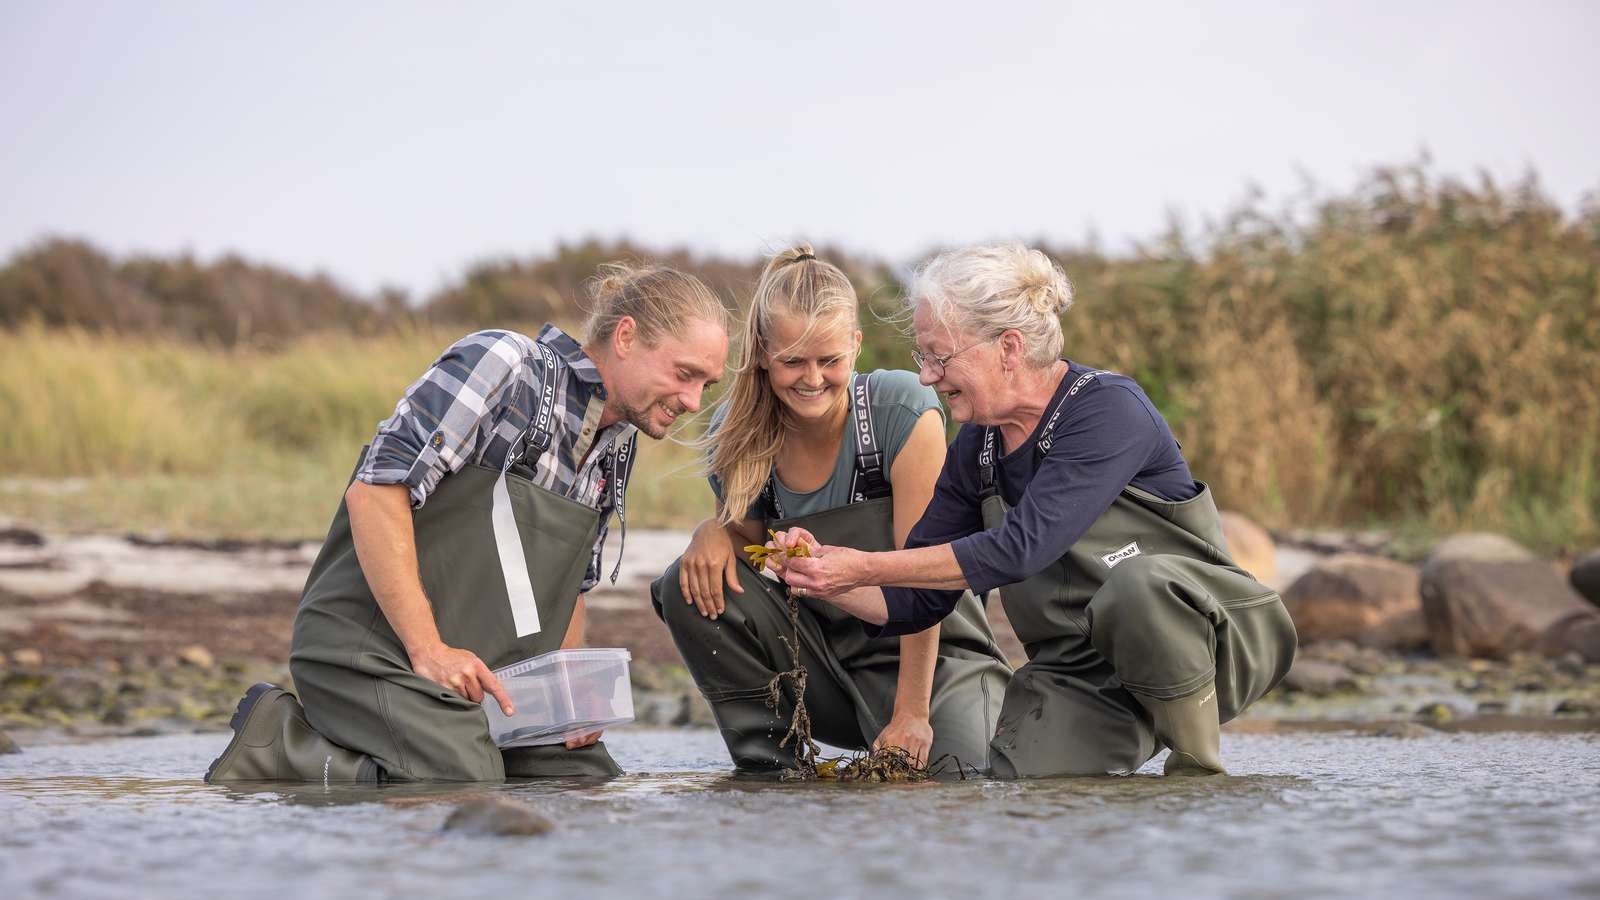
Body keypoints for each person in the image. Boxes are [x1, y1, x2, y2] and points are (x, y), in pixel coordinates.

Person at [778, 243, 1297, 778]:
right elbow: (917, 598)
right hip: (1084, 675)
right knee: (1016, 790)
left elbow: (1020, 548)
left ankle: (1198, 777)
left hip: (1219, 644)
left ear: (1008, 347)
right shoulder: (975, 447)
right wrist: (826, 577)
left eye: (939, 355)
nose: (928, 376)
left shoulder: (1107, 409)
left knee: (1138, 586)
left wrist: (860, 564)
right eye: (922, 357)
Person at [205, 263, 729, 783]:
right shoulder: (503, 362)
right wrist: (428, 651)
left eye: (707, 384)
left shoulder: (620, 440)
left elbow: (570, 586)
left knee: (580, 777)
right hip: (372, 651)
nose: (691, 402)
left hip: (481, 674)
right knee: (463, 779)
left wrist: (568, 689)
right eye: (684, 374)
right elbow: (375, 491)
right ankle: (280, 740)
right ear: (627, 336)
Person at [651, 246, 1011, 775]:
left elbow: (926, 577)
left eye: (830, 360)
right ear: (763, 353)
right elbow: (749, 549)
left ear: (856, 347)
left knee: (957, 782)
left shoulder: (901, 408)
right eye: (793, 361)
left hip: (935, 666)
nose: (812, 378)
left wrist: (912, 714)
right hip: (820, 668)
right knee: (684, 581)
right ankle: (772, 767)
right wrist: (713, 531)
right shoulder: (735, 429)